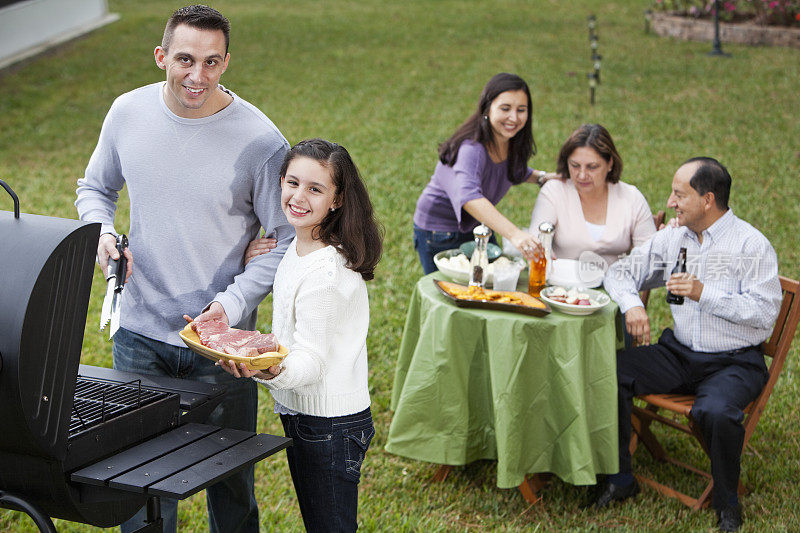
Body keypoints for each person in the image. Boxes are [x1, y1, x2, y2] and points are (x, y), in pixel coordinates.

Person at [75, 5, 292, 532]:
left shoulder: (261, 140)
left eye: (212, 63)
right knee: (137, 485)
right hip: (140, 333)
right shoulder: (127, 112)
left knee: (231, 486)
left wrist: (230, 304)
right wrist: (102, 229)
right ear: (161, 57)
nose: (198, 76)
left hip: (220, 350)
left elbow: (286, 237)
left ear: (225, 63)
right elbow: (95, 188)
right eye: (186, 60)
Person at [598, 157, 782, 532]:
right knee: (608, 372)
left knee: (715, 412)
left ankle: (727, 503)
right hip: (679, 353)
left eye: (679, 194)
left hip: (734, 362)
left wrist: (704, 293)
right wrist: (633, 305)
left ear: (708, 199)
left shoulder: (751, 245)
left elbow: (764, 316)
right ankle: (620, 479)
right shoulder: (673, 237)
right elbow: (620, 272)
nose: (670, 202)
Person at [218, 139, 382, 533]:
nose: (298, 197)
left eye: (315, 189)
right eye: (292, 183)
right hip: (308, 417)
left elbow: (311, 361)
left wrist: (267, 370)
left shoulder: (326, 275)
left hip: (329, 425)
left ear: (337, 200)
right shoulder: (300, 245)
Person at [412, 72, 557, 274]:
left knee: (490, 284)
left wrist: (541, 177)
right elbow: (469, 197)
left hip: (475, 225)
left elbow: (509, 169)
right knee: (457, 293)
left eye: (521, 109)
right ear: (487, 108)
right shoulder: (471, 149)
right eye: (505, 108)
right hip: (439, 231)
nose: (514, 117)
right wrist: (515, 235)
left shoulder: (507, 141)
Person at [530, 124, 656, 268]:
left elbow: (649, 258)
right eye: (575, 165)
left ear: (610, 164)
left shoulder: (631, 197)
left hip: (615, 285)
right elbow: (535, 242)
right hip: (561, 286)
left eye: (592, 167)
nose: (582, 175)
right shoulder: (554, 191)